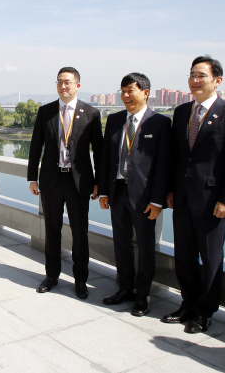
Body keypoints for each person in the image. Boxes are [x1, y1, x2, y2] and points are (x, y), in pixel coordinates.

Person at [162, 55, 225, 334]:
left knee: (211, 258)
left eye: (201, 76)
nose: (195, 81)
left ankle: (204, 312)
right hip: (183, 198)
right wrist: (171, 189)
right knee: (184, 255)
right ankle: (187, 303)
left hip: (213, 202)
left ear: (217, 81)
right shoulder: (182, 111)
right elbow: (176, 157)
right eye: (192, 75)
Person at [98, 73, 171, 316]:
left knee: (146, 246)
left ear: (145, 92)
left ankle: (143, 295)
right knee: (121, 244)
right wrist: (104, 191)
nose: (125, 96)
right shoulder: (115, 119)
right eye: (123, 91)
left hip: (144, 197)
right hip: (117, 191)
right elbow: (107, 158)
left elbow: (163, 165)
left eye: (131, 91)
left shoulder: (159, 123)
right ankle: (124, 289)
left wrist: (157, 200)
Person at [28, 66, 103, 299]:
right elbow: (35, 146)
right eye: (60, 82)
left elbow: (98, 152)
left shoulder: (91, 113)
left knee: (80, 232)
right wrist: (32, 177)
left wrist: (99, 182)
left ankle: (80, 280)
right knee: (52, 229)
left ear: (77, 85)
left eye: (68, 82)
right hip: (51, 179)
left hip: (78, 182)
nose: (63, 86)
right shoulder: (46, 112)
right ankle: (52, 276)